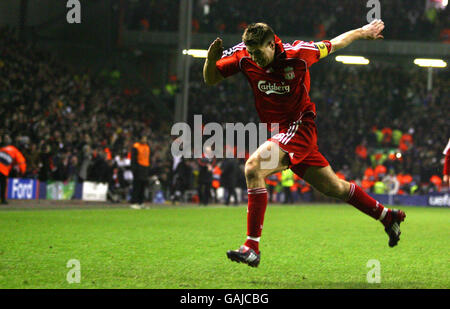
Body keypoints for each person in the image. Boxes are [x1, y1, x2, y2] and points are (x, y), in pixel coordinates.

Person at [203, 20, 406, 268]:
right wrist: (209, 60)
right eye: (251, 53)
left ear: (271, 44)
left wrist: (363, 32)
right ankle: (388, 216)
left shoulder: (298, 54)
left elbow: (334, 43)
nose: (254, 58)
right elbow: (211, 79)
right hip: (282, 134)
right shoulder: (243, 55)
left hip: (300, 127)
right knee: (335, 188)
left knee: (253, 167)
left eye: (259, 52)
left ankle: (251, 247)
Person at [0, 135, 27, 204]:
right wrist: (22, 172)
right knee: (3, 185)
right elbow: (21, 162)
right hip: (3, 170)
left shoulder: (2, 149)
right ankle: (3, 200)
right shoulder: (15, 151)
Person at [130, 135, 150, 209]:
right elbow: (133, 159)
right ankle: (133, 202)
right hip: (138, 168)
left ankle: (141, 202)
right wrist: (134, 169)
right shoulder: (136, 146)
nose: (145, 139)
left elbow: (148, 158)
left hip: (145, 168)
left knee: (143, 187)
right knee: (137, 186)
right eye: (143, 138)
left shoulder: (147, 147)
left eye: (145, 138)